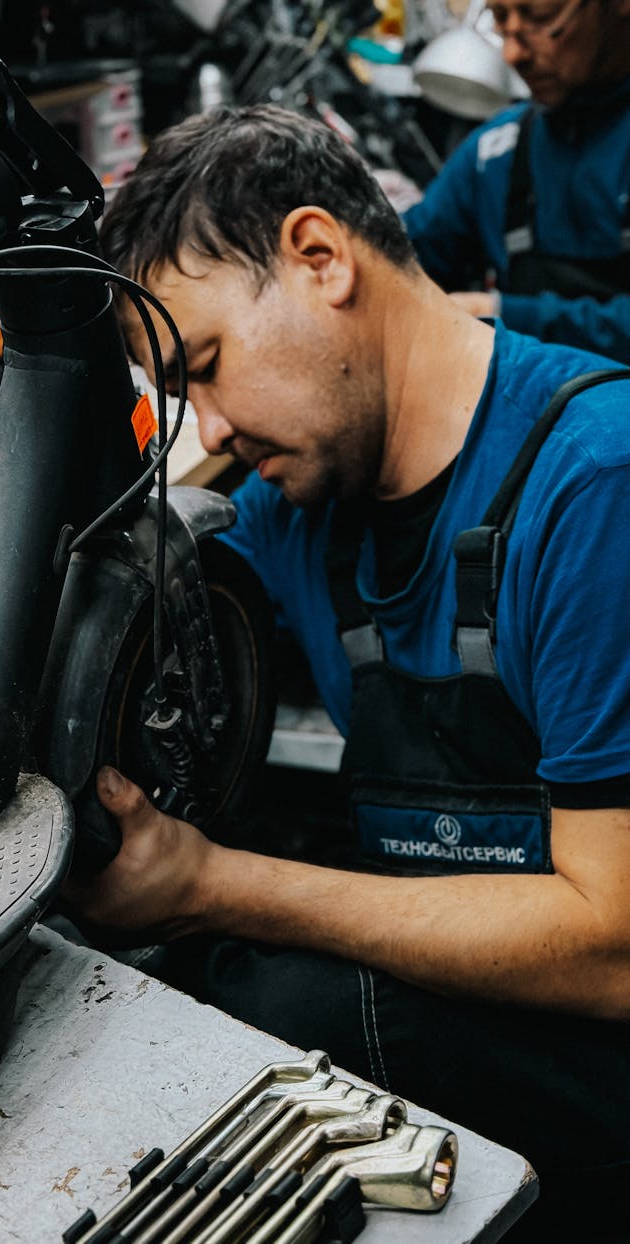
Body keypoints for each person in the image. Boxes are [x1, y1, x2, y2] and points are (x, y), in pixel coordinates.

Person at [61, 104, 629, 1240]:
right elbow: (139, 557)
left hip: (596, 1057)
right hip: (460, 1017)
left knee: (267, 986)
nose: (208, 421)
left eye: (209, 363)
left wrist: (214, 882)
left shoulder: (593, 482)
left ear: (320, 258)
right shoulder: (297, 498)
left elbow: (614, 945)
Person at [401, 0, 630, 362]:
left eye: (539, 17)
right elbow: (401, 253)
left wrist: (507, 314)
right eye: (501, 20)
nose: (512, 53)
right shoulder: (497, 151)